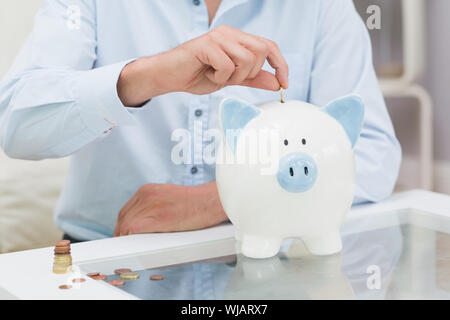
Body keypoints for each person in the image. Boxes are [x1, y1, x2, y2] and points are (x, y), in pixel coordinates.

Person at [0, 0, 401, 242]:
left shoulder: (321, 7)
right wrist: (149, 76)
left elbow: (371, 152)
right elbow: (18, 126)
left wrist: (219, 200)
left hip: (264, 260)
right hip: (106, 259)